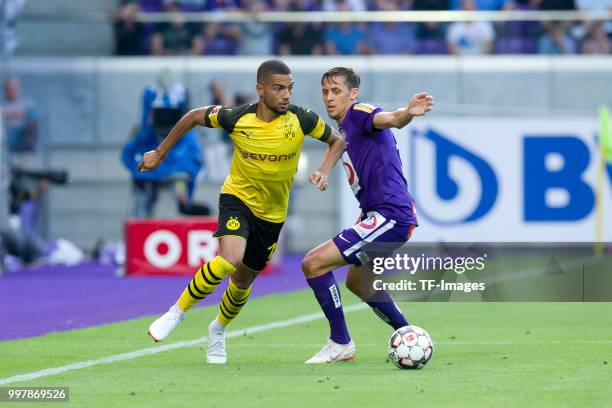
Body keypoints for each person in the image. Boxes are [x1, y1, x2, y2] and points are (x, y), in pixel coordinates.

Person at [142, 60, 345, 364]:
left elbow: (337, 141)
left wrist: (324, 170)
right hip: (237, 198)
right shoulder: (236, 118)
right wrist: (160, 152)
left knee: (242, 282)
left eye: (289, 88)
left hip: (272, 214)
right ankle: (177, 312)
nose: (286, 95)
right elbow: (194, 116)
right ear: (260, 90)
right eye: (279, 88)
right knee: (229, 260)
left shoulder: (301, 119)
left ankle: (218, 330)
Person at [301, 67, 433, 363]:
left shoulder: (360, 112)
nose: (329, 98)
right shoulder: (347, 127)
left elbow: (390, 119)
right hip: (381, 214)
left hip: (390, 215)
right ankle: (409, 335)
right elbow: (339, 144)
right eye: (325, 92)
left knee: (313, 264)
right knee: (359, 283)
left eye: (336, 91)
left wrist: (406, 113)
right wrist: (323, 170)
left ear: (354, 93)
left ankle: (340, 342)